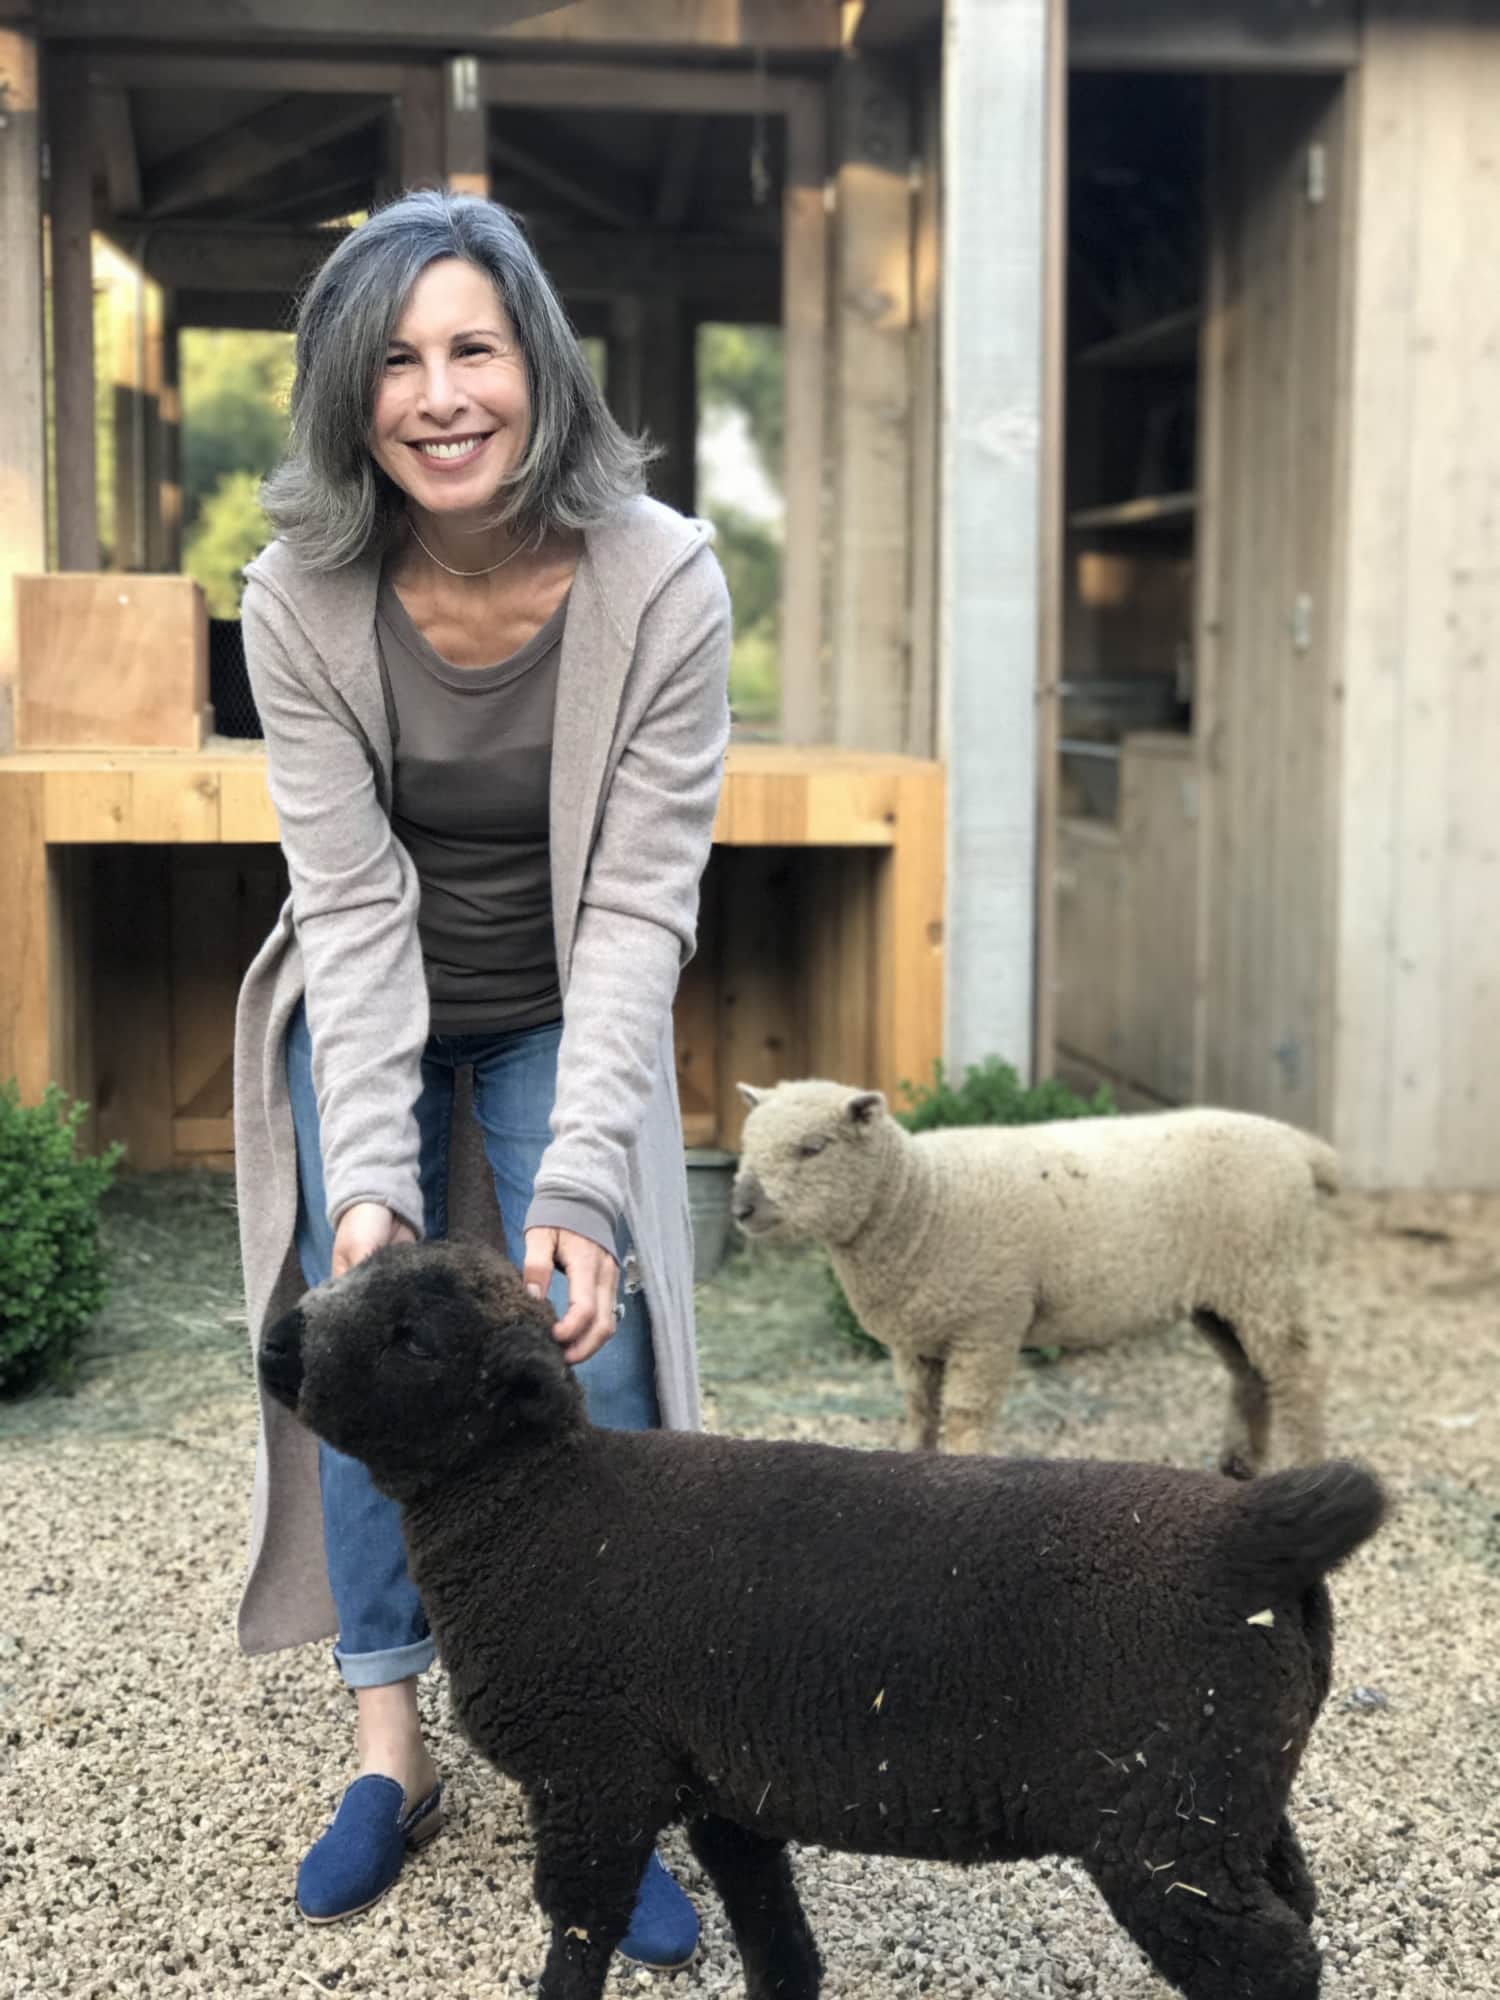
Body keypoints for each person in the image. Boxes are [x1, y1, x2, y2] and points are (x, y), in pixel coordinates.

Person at [231, 190, 730, 1965]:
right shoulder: (296, 593)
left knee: (604, 1355)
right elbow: (351, 908)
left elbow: (636, 910)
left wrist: (581, 1183)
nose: (439, 395)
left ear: (538, 368)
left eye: (472, 350)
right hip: (376, 1005)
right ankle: (392, 1750)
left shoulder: (661, 577)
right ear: (348, 400)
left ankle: (616, 1768)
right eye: (395, 364)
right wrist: (367, 1175)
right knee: (363, 1338)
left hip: (567, 1006)